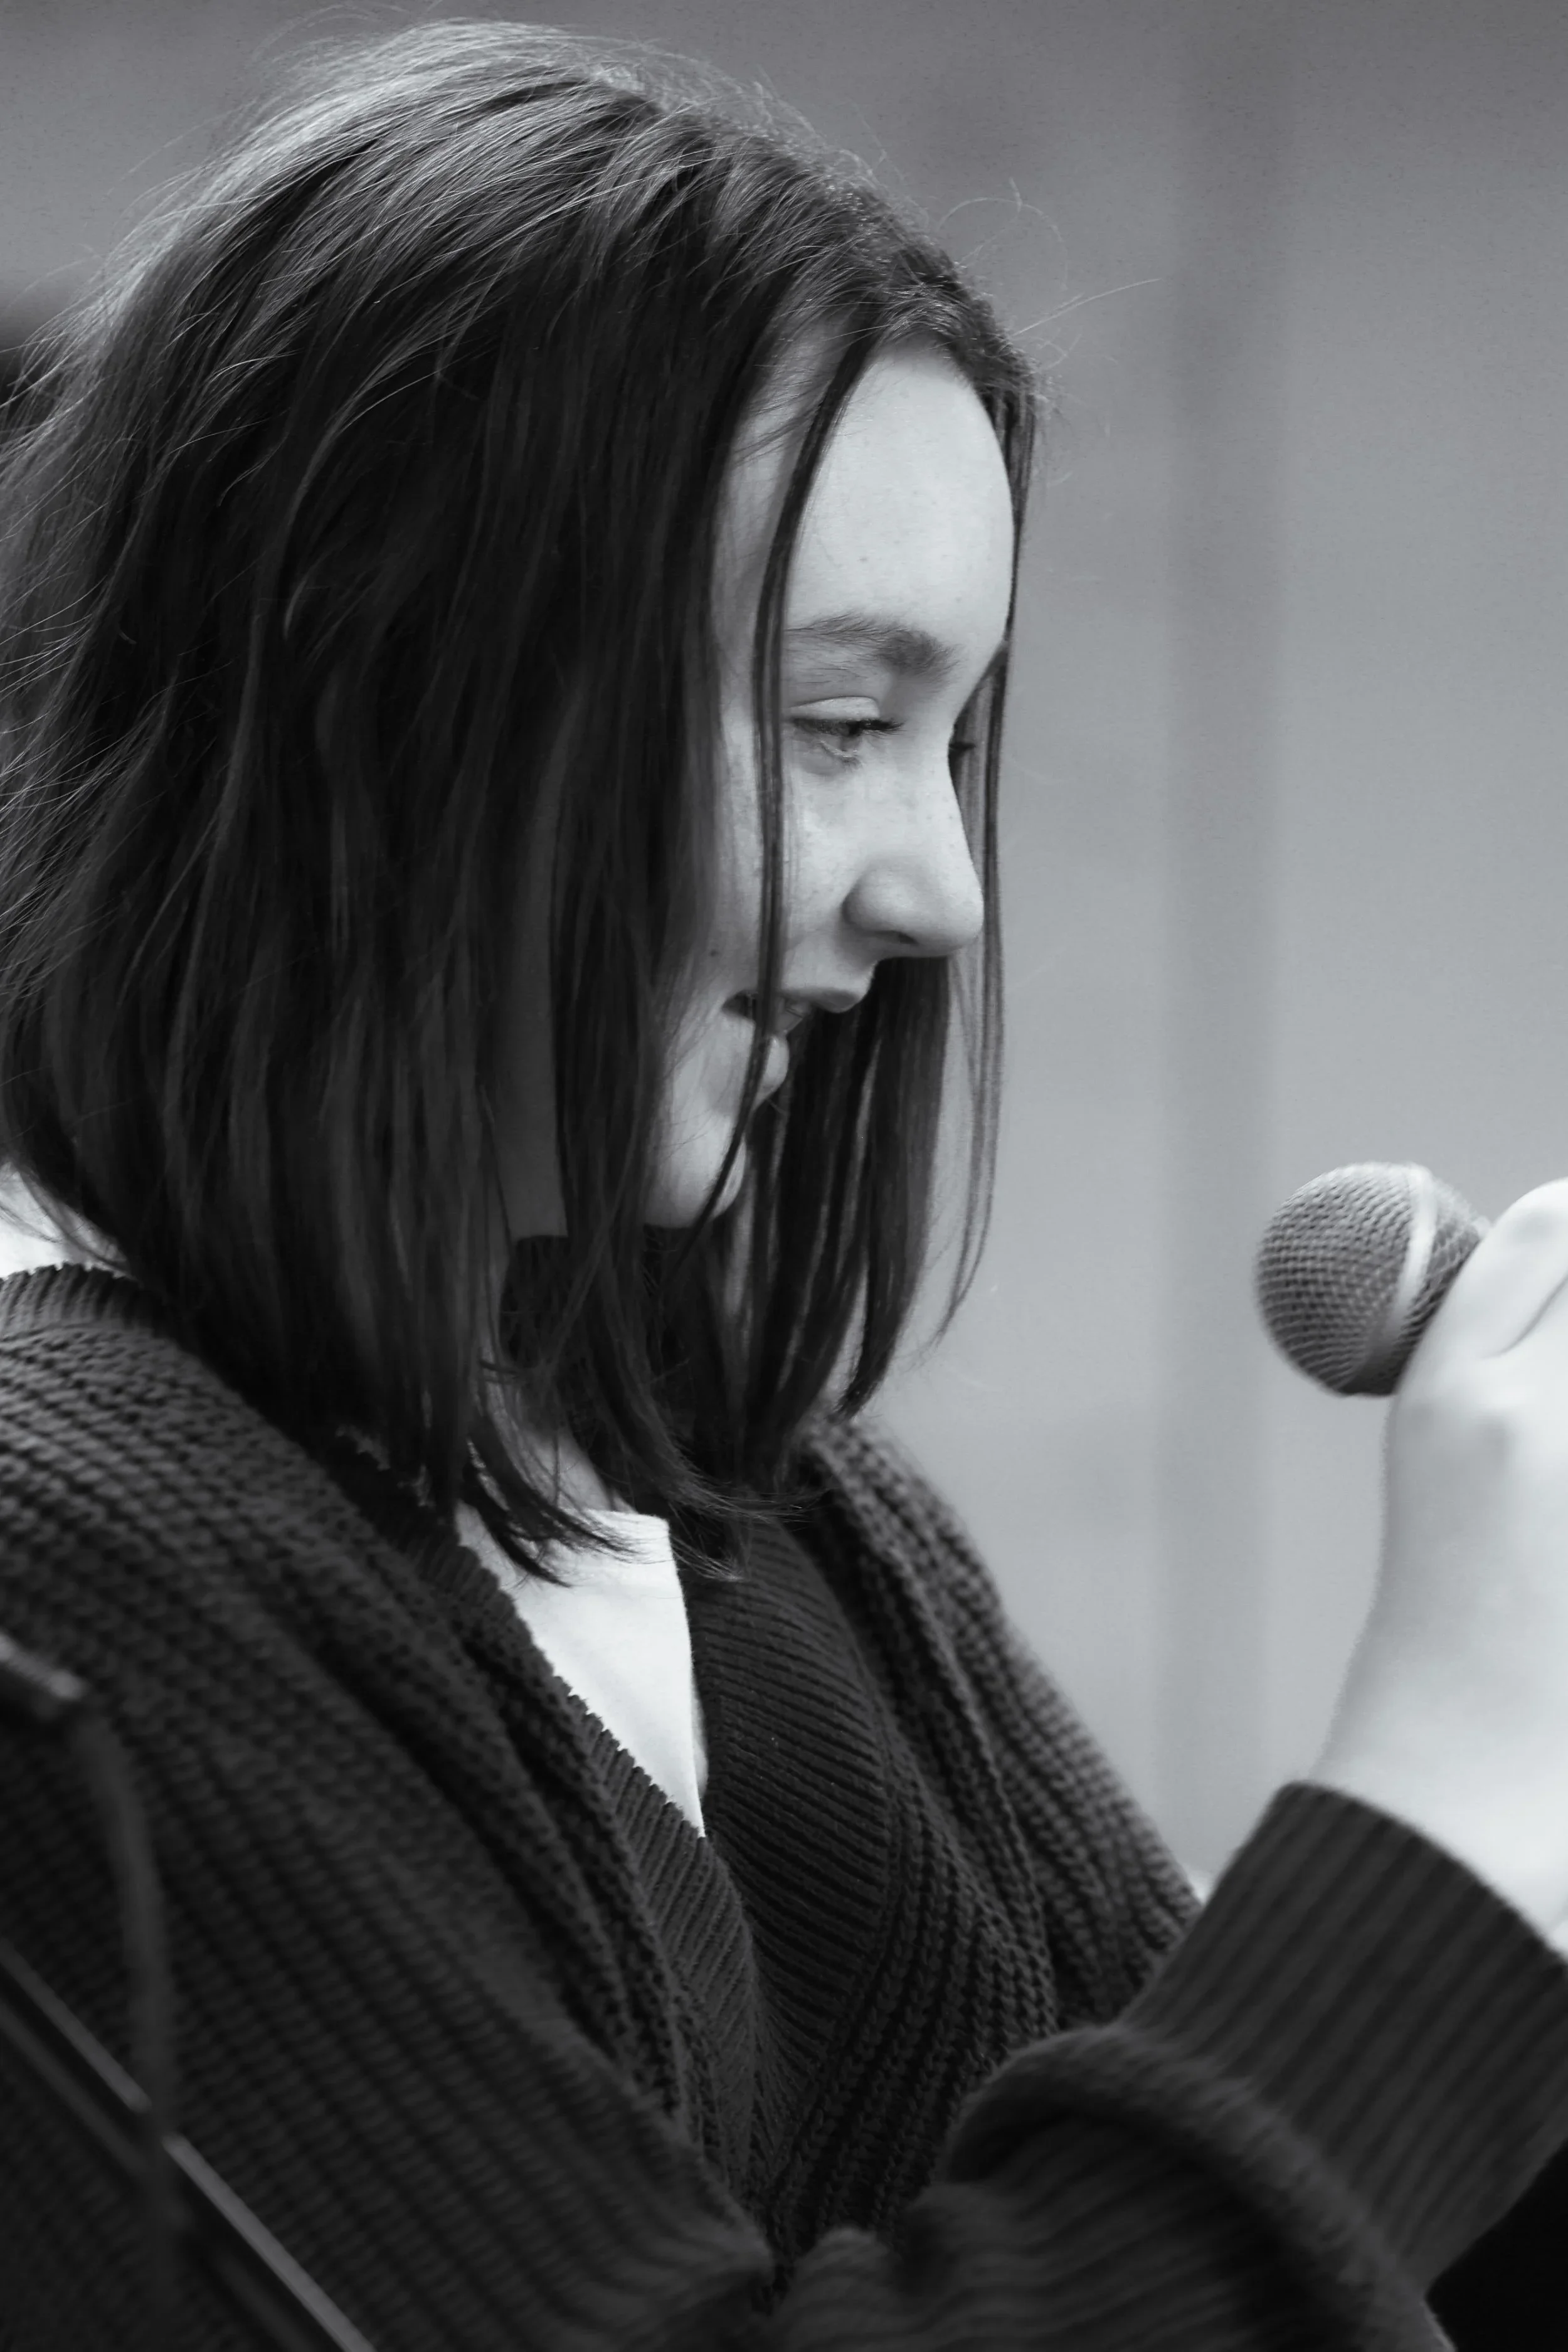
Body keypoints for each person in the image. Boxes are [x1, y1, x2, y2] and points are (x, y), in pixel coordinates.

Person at [0, 21, 1563, 2349]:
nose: (937, 882)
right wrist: (1447, 1816)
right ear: (388, 689)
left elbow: (1315, 2257)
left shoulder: (774, 1504)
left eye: (953, 740)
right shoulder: (65, 1564)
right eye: (842, 722)